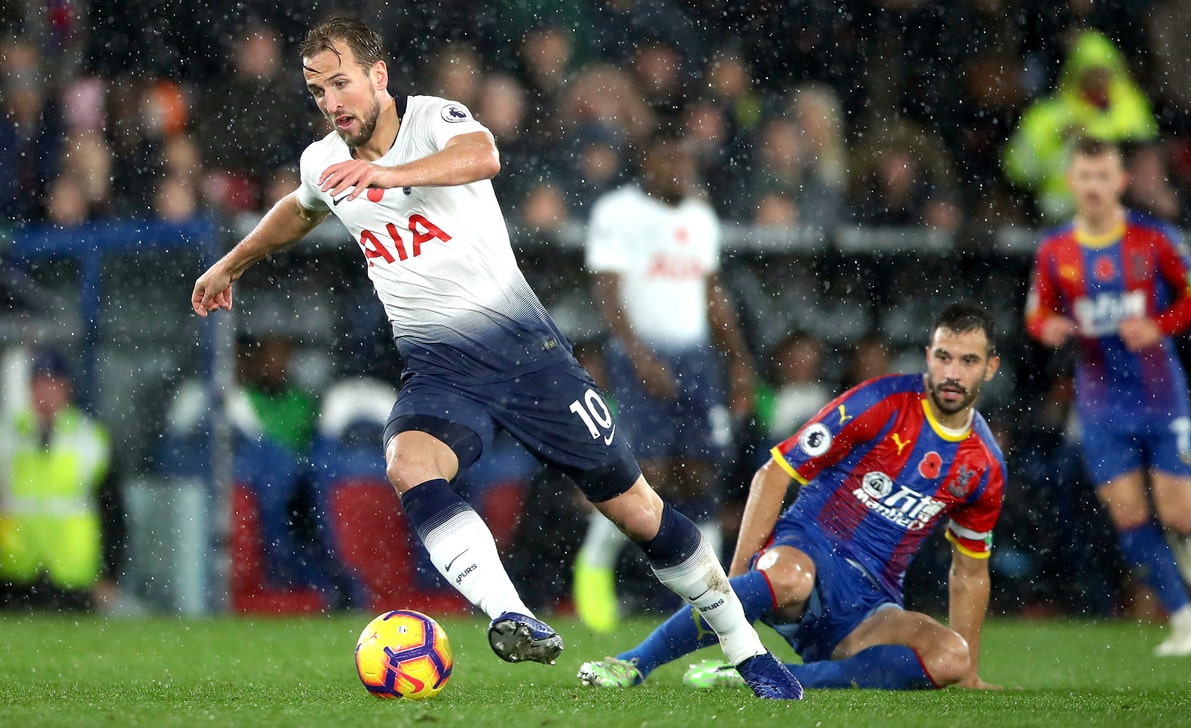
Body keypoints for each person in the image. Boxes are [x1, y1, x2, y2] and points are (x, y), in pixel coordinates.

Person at [189, 17, 800, 699]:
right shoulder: (325, 162)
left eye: (342, 83)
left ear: (378, 76)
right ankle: (511, 614)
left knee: (639, 512)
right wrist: (233, 263)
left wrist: (389, 176)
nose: (333, 102)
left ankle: (748, 652)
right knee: (409, 463)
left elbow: (483, 156)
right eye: (317, 90)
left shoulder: (434, 119)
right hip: (441, 371)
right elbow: (302, 208)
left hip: (528, 357)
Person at [579, 302, 1006, 691]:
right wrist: (737, 584)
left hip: (871, 603)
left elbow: (969, 570)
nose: (952, 372)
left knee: (950, 657)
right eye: (943, 357)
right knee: (789, 578)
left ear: (990, 368)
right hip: (807, 550)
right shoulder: (882, 403)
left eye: (968, 361)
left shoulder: (983, 465)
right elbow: (773, 473)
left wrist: (969, 674)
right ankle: (634, 662)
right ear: (928, 355)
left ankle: (777, 676)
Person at [1024, 137, 1191, 655]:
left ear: (1121, 181)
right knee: (1129, 516)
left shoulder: (1153, 238)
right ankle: (1184, 621)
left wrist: (1160, 324)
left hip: (1159, 395)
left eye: (1102, 176)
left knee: (1176, 514)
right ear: (1071, 182)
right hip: (1100, 401)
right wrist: (1051, 329)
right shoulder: (1054, 250)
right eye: (1084, 176)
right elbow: (1035, 315)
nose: (1093, 186)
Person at [572, 131, 755, 634]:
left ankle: (709, 595)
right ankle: (593, 564)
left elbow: (712, 292)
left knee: (700, 475)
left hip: (697, 359)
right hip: (638, 358)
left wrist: (737, 359)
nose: (679, 166)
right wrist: (636, 352)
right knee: (642, 475)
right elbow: (607, 289)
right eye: (668, 156)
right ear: (646, 162)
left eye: (684, 156)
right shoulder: (619, 211)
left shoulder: (700, 217)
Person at [0, 347, 113, 610]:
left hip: (71, 577)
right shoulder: (9, 435)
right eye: (39, 384)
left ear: (67, 388)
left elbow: (112, 511)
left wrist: (109, 572)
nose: (46, 394)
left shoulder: (88, 439)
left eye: (53, 384)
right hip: (15, 574)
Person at [1004, 30, 1158, 222]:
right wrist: (1057, 141)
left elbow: (1146, 161)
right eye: (1090, 73)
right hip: (1058, 215)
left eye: (1104, 73)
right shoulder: (1047, 116)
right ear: (1075, 74)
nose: (1098, 81)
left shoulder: (1133, 109)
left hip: (1122, 215)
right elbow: (1018, 171)